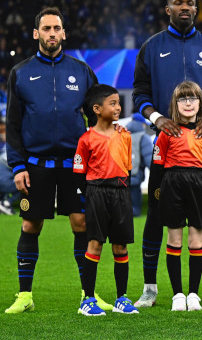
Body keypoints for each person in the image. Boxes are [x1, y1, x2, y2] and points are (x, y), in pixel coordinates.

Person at [132, 0, 202, 307]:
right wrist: (158, 118)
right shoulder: (151, 47)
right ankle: (150, 289)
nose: (185, 7)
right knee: (156, 216)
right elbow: (140, 94)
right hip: (168, 145)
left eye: (190, 3)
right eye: (178, 3)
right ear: (168, 9)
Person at [3, 7, 102, 314]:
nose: (52, 33)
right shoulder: (20, 73)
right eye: (46, 28)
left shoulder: (82, 71)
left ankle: (89, 294)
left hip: (75, 165)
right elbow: (12, 124)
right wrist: (17, 166)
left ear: (64, 33)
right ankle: (25, 295)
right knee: (31, 224)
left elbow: (98, 118)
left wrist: (97, 156)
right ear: (36, 33)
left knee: (81, 223)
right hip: (36, 165)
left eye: (56, 28)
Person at [73, 84, 139, 316]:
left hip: (121, 194)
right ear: (97, 109)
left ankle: (122, 298)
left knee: (121, 246)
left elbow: (127, 169)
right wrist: (91, 195)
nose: (118, 107)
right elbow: (79, 175)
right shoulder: (86, 139)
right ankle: (88, 300)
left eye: (119, 103)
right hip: (96, 193)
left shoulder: (125, 135)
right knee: (95, 244)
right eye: (113, 103)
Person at [154, 81, 202, 312]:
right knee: (174, 239)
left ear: (200, 103)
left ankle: (193, 295)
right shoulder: (167, 132)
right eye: (182, 99)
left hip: (198, 184)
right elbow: (158, 165)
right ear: (175, 104)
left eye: (192, 98)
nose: (188, 103)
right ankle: (178, 295)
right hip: (172, 183)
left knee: (197, 240)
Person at [125, 114, 154, 217]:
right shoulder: (143, 137)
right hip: (135, 175)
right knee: (135, 211)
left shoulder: (121, 135)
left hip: (120, 176)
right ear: (142, 124)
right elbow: (149, 158)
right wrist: (156, 173)